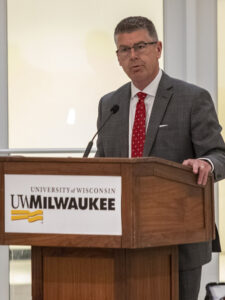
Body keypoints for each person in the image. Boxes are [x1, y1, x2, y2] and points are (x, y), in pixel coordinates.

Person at [95, 16, 225, 300]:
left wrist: (207, 163)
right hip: (122, 240)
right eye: (124, 50)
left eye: (140, 46)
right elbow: (102, 163)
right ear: (118, 58)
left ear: (158, 48)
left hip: (179, 240)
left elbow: (219, 154)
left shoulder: (192, 98)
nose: (133, 55)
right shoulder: (110, 104)